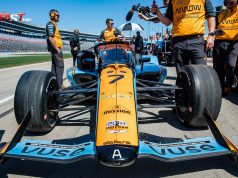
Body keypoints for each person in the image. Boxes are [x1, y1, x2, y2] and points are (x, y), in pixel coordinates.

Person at [139, 0, 216, 74]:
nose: (164, 2)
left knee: (202, 73)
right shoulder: (173, 1)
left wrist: (211, 35)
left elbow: (211, 15)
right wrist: (157, 12)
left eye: (165, 1)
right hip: (178, 43)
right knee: (182, 75)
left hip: (196, 41)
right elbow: (167, 21)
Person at [213, 0, 238, 96]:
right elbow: (214, 28)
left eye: (231, 3)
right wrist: (214, 33)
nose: (229, 5)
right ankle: (220, 88)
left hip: (235, 42)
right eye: (227, 3)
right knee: (218, 68)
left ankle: (228, 85)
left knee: (231, 64)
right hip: (220, 42)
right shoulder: (221, 13)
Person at [46, 9, 64, 89]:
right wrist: (57, 49)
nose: (59, 17)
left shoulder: (54, 24)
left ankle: (53, 85)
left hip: (54, 49)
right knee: (60, 66)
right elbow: (50, 37)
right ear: (52, 15)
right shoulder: (50, 24)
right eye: (57, 15)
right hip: (56, 49)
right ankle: (59, 86)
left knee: (54, 67)